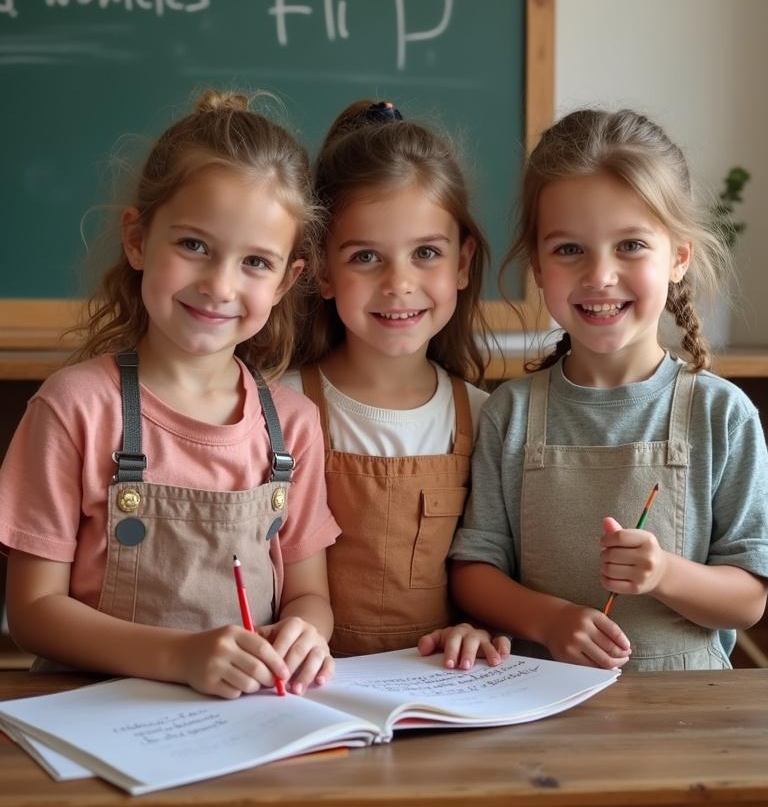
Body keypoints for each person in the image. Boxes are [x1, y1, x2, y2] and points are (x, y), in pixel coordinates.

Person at [0, 90, 341, 699]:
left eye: (256, 262)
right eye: (194, 246)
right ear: (137, 240)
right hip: (97, 720)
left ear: (289, 279)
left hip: (248, 723)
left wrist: (307, 631)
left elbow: (309, 593)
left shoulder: (293, 423)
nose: (219, 284)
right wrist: (181, 655)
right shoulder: (74, 408)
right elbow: (32, 612)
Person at [450, 107, 768, 671]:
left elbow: (748, 600)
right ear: (540, 268)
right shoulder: (511, 413)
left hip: (682, 718)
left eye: (631, 246)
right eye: (569, 249)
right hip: (540, 708)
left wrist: (665, 573)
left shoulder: (722, 415)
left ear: (678, 257)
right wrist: (547, 621)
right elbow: (473, 574)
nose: (599, 275)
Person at [286, 99, 510, 669]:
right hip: (306, 692)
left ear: (462, 264)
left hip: (439, 690)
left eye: (426, 253)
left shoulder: (489, 419)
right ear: (323, 272)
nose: (399, 283)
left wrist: (476, 630)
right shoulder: (276, 408)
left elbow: (493, 573)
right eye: (366, 256)